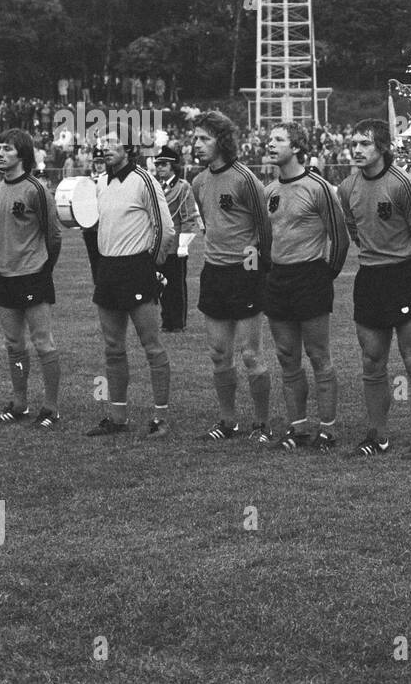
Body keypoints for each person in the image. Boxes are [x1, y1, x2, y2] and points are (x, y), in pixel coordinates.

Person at [337, 119, 411, 458]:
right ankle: (378, 435)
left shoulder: (402, 184)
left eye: (364, 143)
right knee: (372, 359)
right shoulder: (346, 188)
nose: (356, 149)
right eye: (354, 142)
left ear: (381, 147)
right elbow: (354, 231)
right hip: (369, 278)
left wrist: (410, 272)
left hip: (403, 276)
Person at [261, 123, 350, 452]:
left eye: (279, 139)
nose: (271, 144)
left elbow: (340, 237)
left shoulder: (319, 188)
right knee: (287, 357)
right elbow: (266, 239)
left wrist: (326, 274)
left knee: (318, 355)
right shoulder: (269, 191)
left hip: (311, 276)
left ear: (296, 147)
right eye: (270, 139)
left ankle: (327, 428)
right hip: (278, 279)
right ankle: (297, 427)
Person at [85, 128, 176, 437]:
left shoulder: (144, 181)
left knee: (152, 346)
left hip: (137, 267)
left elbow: (165, 228)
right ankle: (117, 417)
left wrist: (152, 267)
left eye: (112, 143)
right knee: (112, 347)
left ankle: (160, 418)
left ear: (129, 147)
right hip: (108, 270)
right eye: (102, 144)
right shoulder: (100, 183)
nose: (104, 148)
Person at [189, 110, 274, 443]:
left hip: (246, 270)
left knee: (251, 354)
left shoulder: (245, 179)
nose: (196, 145)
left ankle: (262, 424)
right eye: (195, 138)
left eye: (204, 139)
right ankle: (227, 421)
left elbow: (263, 228)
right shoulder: (198, 182)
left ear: (222, 141)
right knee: (218, 354)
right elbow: (211, 225)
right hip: (214, 271)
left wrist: (257, 268)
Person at [0, 129, 63, 428]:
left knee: (43, 343)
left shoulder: (36, 190)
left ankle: (51, 408)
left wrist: (45, 268)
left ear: (22, 155)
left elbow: (53, 236)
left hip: (33, 275)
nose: (0, 153)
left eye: (7, 149)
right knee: (14, 344)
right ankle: (20, 403)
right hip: (4, 275)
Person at [154, 145, 198, 333]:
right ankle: (166, 320)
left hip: (176, 244)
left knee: (176, 285)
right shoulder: (156, 186)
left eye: (163, 164)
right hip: (159, 244)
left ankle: (178, 322)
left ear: (173, 166)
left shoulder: (182, 187)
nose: (159, 168)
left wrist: (183, 245)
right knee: (160, 282)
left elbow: (188, 217)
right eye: (158, 165)